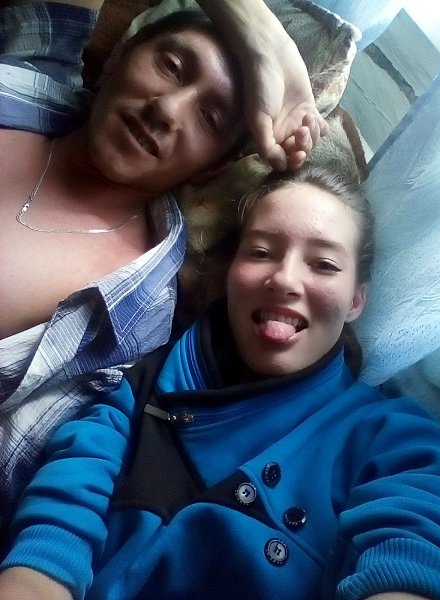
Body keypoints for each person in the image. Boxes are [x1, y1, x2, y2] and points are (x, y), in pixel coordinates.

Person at [0, 165, 440, 600]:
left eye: (324, 264)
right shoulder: (138, 385)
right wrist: (38, 577)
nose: (285, 279)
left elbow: (414, 535)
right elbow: (67, 502)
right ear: (230, 271)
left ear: (356, 300)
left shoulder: (394, 439)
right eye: (261, 252)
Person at [0, 0, 327, 530]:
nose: (168, 110)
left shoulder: (135, 314)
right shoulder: (30, 74)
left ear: (212, 167)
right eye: (172, 66)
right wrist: (258, 33)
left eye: (210, 118)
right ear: (121, 54)